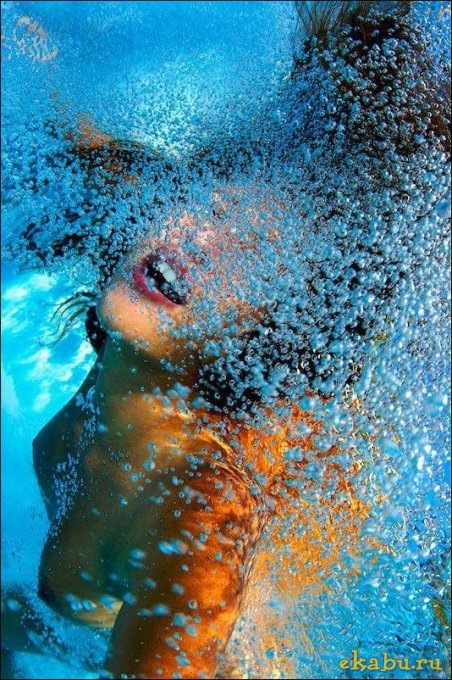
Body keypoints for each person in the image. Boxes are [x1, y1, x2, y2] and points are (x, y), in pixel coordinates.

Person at [3, 2, 450, 678]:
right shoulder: (150, 280)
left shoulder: (200, 518)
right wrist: (34, 56)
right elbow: (88, 145)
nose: (195, 239)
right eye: (209, 196)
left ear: (266, 329)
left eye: (256, 250)